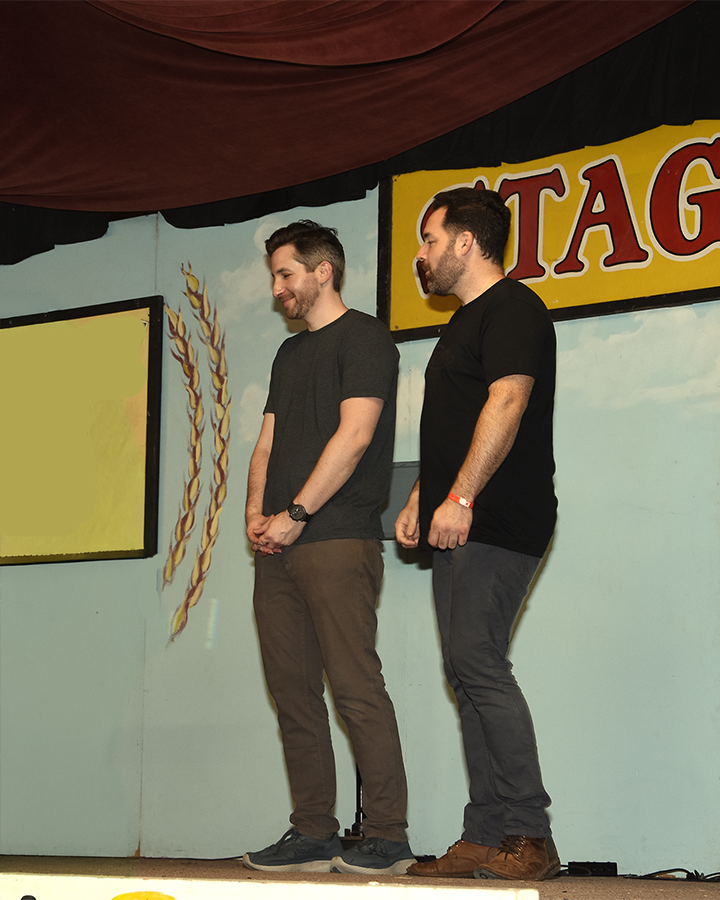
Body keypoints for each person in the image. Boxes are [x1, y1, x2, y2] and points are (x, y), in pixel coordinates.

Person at [395, 188, 559, 881]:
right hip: (462, 514)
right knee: (465, 672)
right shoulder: (464, 322)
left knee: (479, 664)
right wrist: (422, 494)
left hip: (497, 516)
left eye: (430, 239)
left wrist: (460, 496)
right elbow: (458, 423)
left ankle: (529, 834)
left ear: (465, 242)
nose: (422, 254)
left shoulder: (513, 306)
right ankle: (485, 833)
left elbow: (508, 400)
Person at [243, 220, 415, 876]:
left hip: (336, 537)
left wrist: (295, 513)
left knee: (354, 688)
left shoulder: (365, 337)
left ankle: (388, 836)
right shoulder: (289, 355)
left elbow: (355, 435)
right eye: (274, 277)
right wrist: (256, 513)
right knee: (292, 692)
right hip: (277, 547)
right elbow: (266, 442)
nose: (277, 289)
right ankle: (313, 832)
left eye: (285, 274)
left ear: (323, 271)